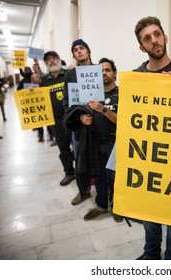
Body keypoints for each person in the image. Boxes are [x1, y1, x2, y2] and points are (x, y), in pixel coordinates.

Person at [133, 16, 171, 260]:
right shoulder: (137, 77)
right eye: (147, 38)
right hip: (148, 157)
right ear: (142, 47)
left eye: (157, 34)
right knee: (149, 212)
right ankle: (150, 255)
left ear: (165, 37)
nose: (154, 41)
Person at [82, 57, 121, 221]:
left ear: (114, 73)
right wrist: (83, 118)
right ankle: (102, 205)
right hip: (95, 141)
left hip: (115, 142)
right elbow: (82, 113)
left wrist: (103, 109)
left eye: (107, 70)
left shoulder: (122, 94)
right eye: (100, 71)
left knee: (116, 177)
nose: (104, 73)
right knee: (98, 176)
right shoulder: (91, 94)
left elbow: (122, 120)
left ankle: (119, 208)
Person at [63, 39, 94, 206]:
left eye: (82, 48)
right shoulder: (70, 74)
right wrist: (79, 117)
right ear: (74, 55)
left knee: (100, 156)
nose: (79, 51)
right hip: (79, 123)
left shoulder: (99, 70)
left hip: (98, 121)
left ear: (88, 51)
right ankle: (84, 191)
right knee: (80, 158)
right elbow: (67, 101)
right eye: (75, 50)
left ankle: (106, 189)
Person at [41, 51, 75, 186]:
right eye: (48, 60)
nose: (52, 61)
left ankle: (81, 171)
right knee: (63, 147)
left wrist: (76, 70)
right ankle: (69, 173)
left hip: (72, 117)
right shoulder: (44, 80)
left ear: (59, 60)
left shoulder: (68, 74)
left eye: (54, 58)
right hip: (55, 120)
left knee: (78, 146)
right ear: (46, 63)